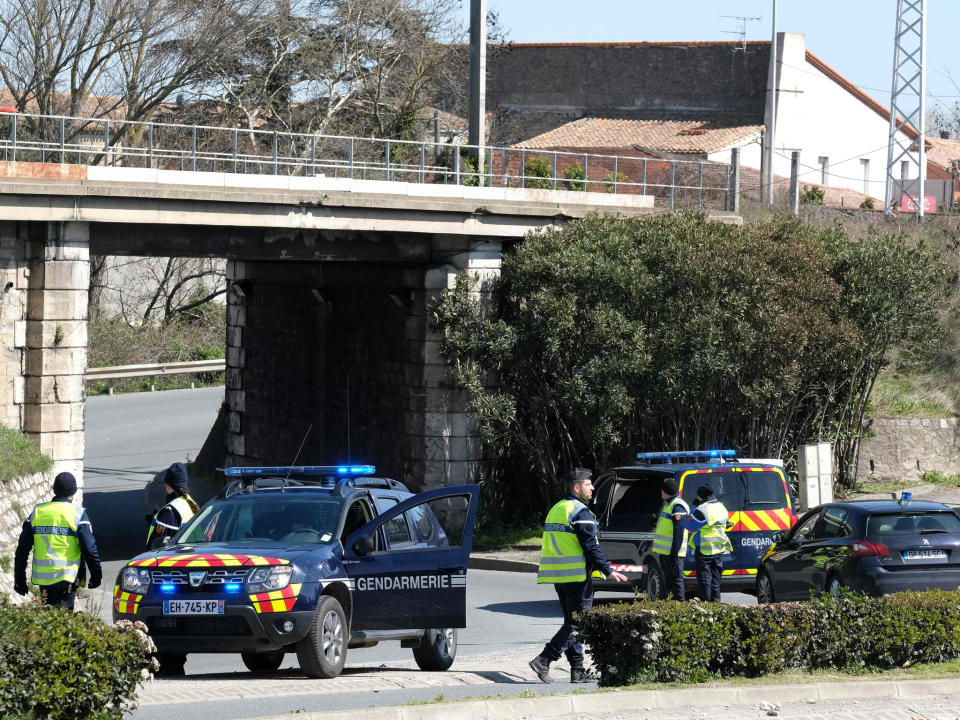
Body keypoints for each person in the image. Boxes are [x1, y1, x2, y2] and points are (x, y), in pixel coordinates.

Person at [529, 468, 628, 684]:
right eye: (588, 484)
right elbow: (590, 547)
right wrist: (608, 570)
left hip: (559, 576)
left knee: (571, 623)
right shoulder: (580, 512)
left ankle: (577, 670)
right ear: (576, 487)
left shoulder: (557, 509)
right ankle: (545, 659)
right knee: (578, 623)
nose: (592, 487)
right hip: (576, 576)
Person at [13, 471, 102, 609]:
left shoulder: (37, 513)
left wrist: (19, 579)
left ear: (54, 490)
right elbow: (89, 549)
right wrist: (96, 576)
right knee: (64, 626)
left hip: (44, 582)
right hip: (67, 580)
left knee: (47, 623)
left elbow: (22, 549)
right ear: (73, 492)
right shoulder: (78, 515)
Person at [684, 485, 733, 602]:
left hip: (704, 550)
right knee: (716, 580)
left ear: (701, 497)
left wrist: (694, 508)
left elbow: (689, 525)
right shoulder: (722, 507)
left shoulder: (703, 509)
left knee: (705, 581)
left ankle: (707, 607)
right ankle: (716, 605)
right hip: (719, 549)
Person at [146, 462, 199, 549]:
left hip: (176, 559)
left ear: (169, 484)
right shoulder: (191, 503)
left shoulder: (170, 511)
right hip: (194, 554)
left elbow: (158, 544)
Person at [651, 477, 689, 600]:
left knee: (676, 583)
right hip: (666, 553)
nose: (661, 492)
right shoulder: (669, 505)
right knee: (670, 583)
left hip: (673, 553)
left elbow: (679, 531)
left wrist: (674, 553)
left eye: (662, 490)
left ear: (665, 491)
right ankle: (673, 607)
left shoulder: (677, 506)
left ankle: (679, 610)